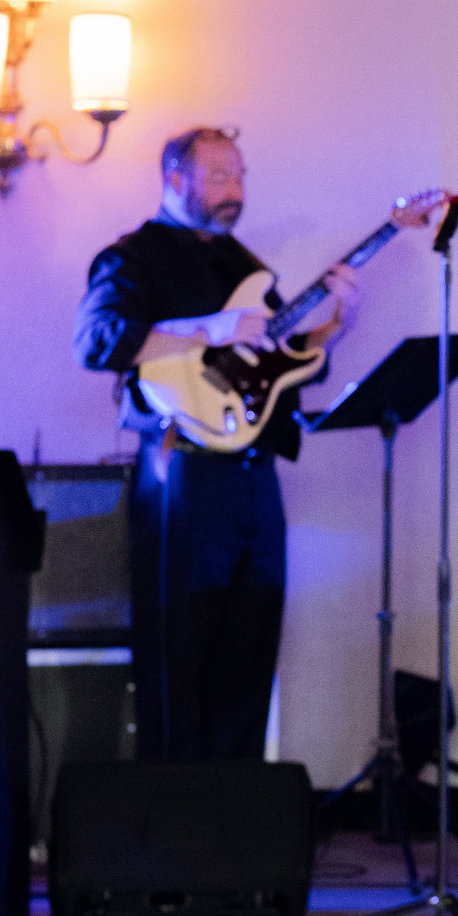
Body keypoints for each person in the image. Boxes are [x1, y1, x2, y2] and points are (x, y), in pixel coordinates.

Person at [74, 127, 360, 759]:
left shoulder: (246, 266)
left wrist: (336, 326)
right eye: (221, 175)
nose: (237, 189)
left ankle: (236, 826)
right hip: (183, 471)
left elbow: (279, 364)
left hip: (254, 478)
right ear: (176, 179)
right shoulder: (132, 257)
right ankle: (175, 827)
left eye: (241, 176)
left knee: (250, 646)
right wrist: (211, 328)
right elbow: (97, 341)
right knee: (181, 647)